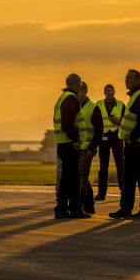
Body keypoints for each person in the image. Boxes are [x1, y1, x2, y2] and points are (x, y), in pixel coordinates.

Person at [110, 69, 140, 219]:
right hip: (131, 144)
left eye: (130, 78)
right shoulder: (135, 96)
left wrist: (132, 137)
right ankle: (126, 208)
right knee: (129, 179)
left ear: (139, 80)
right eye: (126, 78)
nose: (126, 80)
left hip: (137, 144)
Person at [53, 73, 88, 219]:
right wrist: (75, 139)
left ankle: (64, 208)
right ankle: (72, 209)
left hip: (62, 142)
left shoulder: (61, 98)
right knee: (72, 179)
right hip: (69, 144)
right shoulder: (72, 98)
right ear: (77, 84)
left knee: (67, 178)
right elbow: (67, 122)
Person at [75, 82, 103, 214]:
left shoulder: (93, 108)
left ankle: (78, 206)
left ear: (85, 92)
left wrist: (92, 148)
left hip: (86, 149)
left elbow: (99, 131)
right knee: (83, 178)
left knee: (81, 179)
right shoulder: (76, 106)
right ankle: (89, 206)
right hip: (76, 148)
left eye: (79, 91)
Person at [96, 84, 125, 200]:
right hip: (104, 137)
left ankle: (124, 191)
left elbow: (127, 120)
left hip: (116, 136)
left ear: (114, 91)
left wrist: (119, 121)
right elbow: (95, 120)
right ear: (104, 92)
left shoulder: (121, 104)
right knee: (103, 166)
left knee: (120, 165)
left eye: (111, 90)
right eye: (107, 90)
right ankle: (101, 193)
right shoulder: (99, 104)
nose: (109, 92)